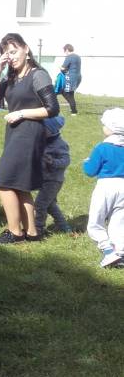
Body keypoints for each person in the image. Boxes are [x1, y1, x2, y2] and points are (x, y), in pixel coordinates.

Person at [0, 33, 60, 244]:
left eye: (14, 51)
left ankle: (15, 232)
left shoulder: (38, 75)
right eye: (6, 54)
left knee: (2, 181)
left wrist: (21, 113)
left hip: (29, 133)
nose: (11, 56)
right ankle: (33, 233)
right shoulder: (12, 78)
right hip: (15, 133)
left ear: (26, 49)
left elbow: (52, 109)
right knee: (20, 185)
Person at [83, 108, 124, 267]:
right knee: (119, 220)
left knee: (96, 220)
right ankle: (120, 252)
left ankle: (107, 250)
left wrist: (87, 162)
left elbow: (90, 171)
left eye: (105, 125)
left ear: (111, 128)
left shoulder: (102, 148)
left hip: (106, 186)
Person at [35, 116, 72, 236]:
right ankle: (64, 226)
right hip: (44, 178)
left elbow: (66, 161)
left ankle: (38, 228)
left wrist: (53, 162)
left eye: (43, 128)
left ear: (51, 130)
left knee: (40, 204)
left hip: (53, 180)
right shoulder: (43, 140)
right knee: (50, 205)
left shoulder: (60, 144)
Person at [59, 44, 81, 115]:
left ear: (67, 50)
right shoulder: (78, 57)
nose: (64, 52)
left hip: (70, 78)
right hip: (78, 77)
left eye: (64, 51)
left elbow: (63, 68)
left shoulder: (69, 57)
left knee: (65, 92)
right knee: (70, 93)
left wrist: (60, 67)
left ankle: (74, 111)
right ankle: (72, 108)